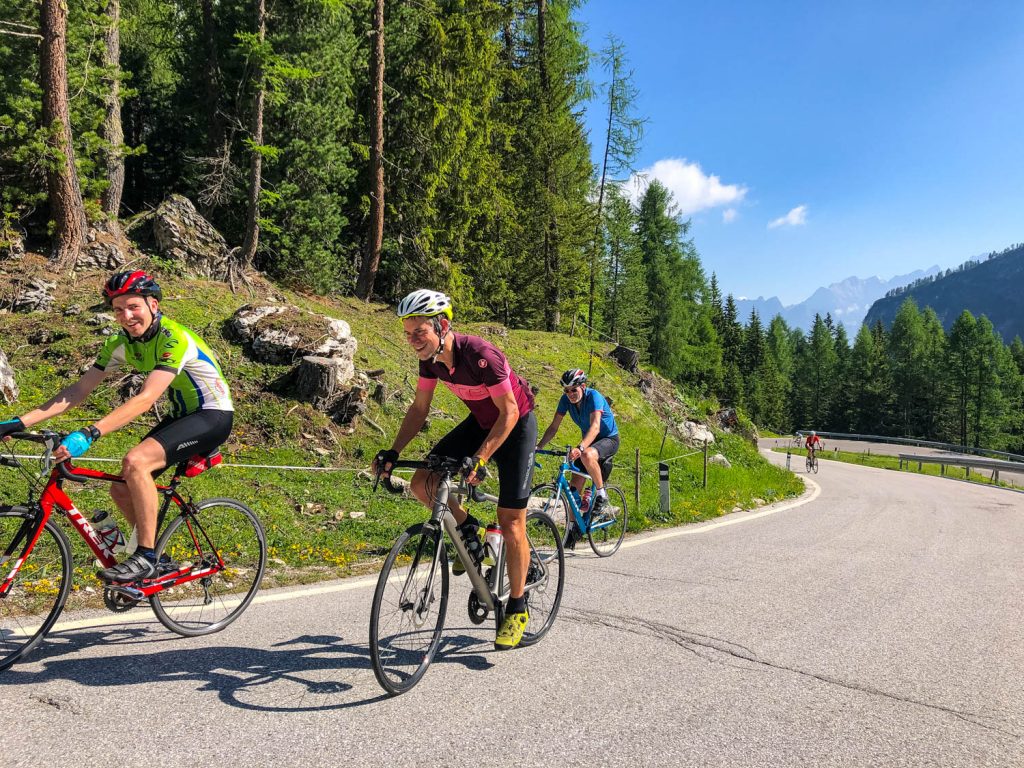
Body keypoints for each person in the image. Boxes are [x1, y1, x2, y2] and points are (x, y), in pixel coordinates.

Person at [0, 271, 234, 583]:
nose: (126, 316)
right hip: (181, 416)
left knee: (136, 462)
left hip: (213, 415)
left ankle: (146, 557)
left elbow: (146, 398)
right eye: (118, 309)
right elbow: (78, 390)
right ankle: (159, 558)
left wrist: (90, 432)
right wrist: (18, 422)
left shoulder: (174, 338)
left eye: (133, 307)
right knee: (121, 488)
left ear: (153, 304)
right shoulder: (119, 343)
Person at [373, 289, 537, 651]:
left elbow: (509, 413)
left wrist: (480, 458)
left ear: (443, 326)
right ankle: (469, 530)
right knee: (422, 482)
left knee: (511, 521)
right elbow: (419, 409)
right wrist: (393, 452)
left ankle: (518, 607)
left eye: (420, 332)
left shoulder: (481, 355)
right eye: (408, 333)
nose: (413, 340)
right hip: (481, 422)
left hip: (517, 425)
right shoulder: (429, 361)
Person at [536, 369, 619, 547]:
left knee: (588, 454)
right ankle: (574, 528)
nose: (570, 394)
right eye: (566, 390)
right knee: (574, 488)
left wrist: (580, 448)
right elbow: (553, 427)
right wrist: (539, 446)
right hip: (588, 441)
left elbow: (596, 427)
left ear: (583, 386)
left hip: (607, 439)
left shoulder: (594, 397)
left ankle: (601, 495)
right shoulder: (566, 401)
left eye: (574, 389)